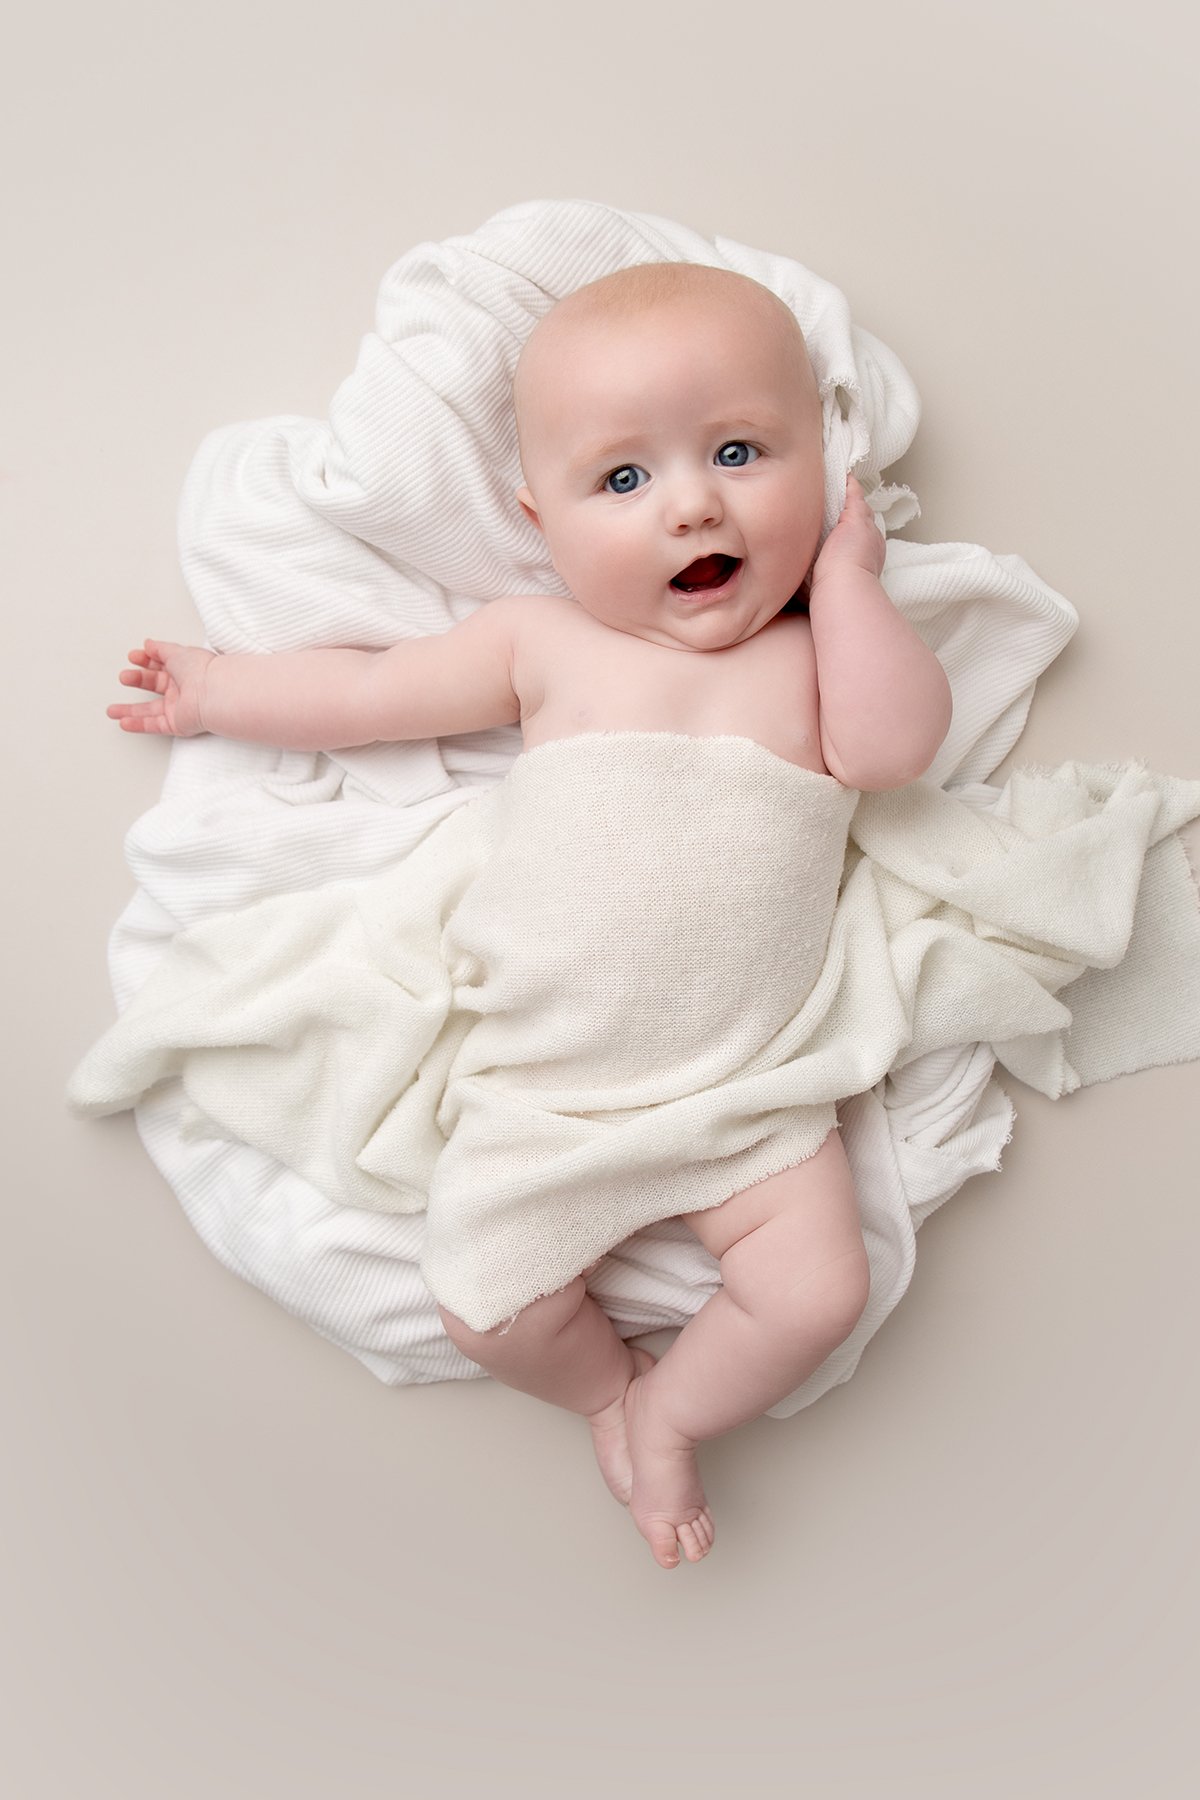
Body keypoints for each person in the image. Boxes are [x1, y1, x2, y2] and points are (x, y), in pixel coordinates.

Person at [107, 262, 953, 1569]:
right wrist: (220, 692)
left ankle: (674, 1411)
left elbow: (895, 751)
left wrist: (848, 583)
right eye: (622, 481)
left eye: (739, 451)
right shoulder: (541, 643)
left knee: (819, 1293)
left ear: (822, 466)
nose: (692, 505)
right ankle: (608, 1390)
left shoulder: (811, 661)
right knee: (486, 1310)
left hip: (752, 1092)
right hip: (543, 1094)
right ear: (536, 516)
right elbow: (370, 696)